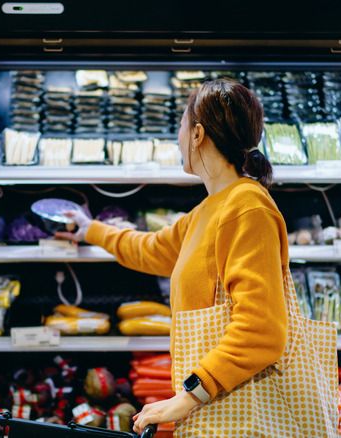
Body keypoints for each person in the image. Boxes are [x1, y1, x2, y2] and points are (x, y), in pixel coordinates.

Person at [58, 79, 299, 436]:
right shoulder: (207, 212)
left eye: (182, 125)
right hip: (216, 407)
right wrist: (89, 229)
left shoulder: (248, 207)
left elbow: (262, 330)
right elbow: (150, 249)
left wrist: (186, 397)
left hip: (240, 414)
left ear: (198, 133)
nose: (178, 137)